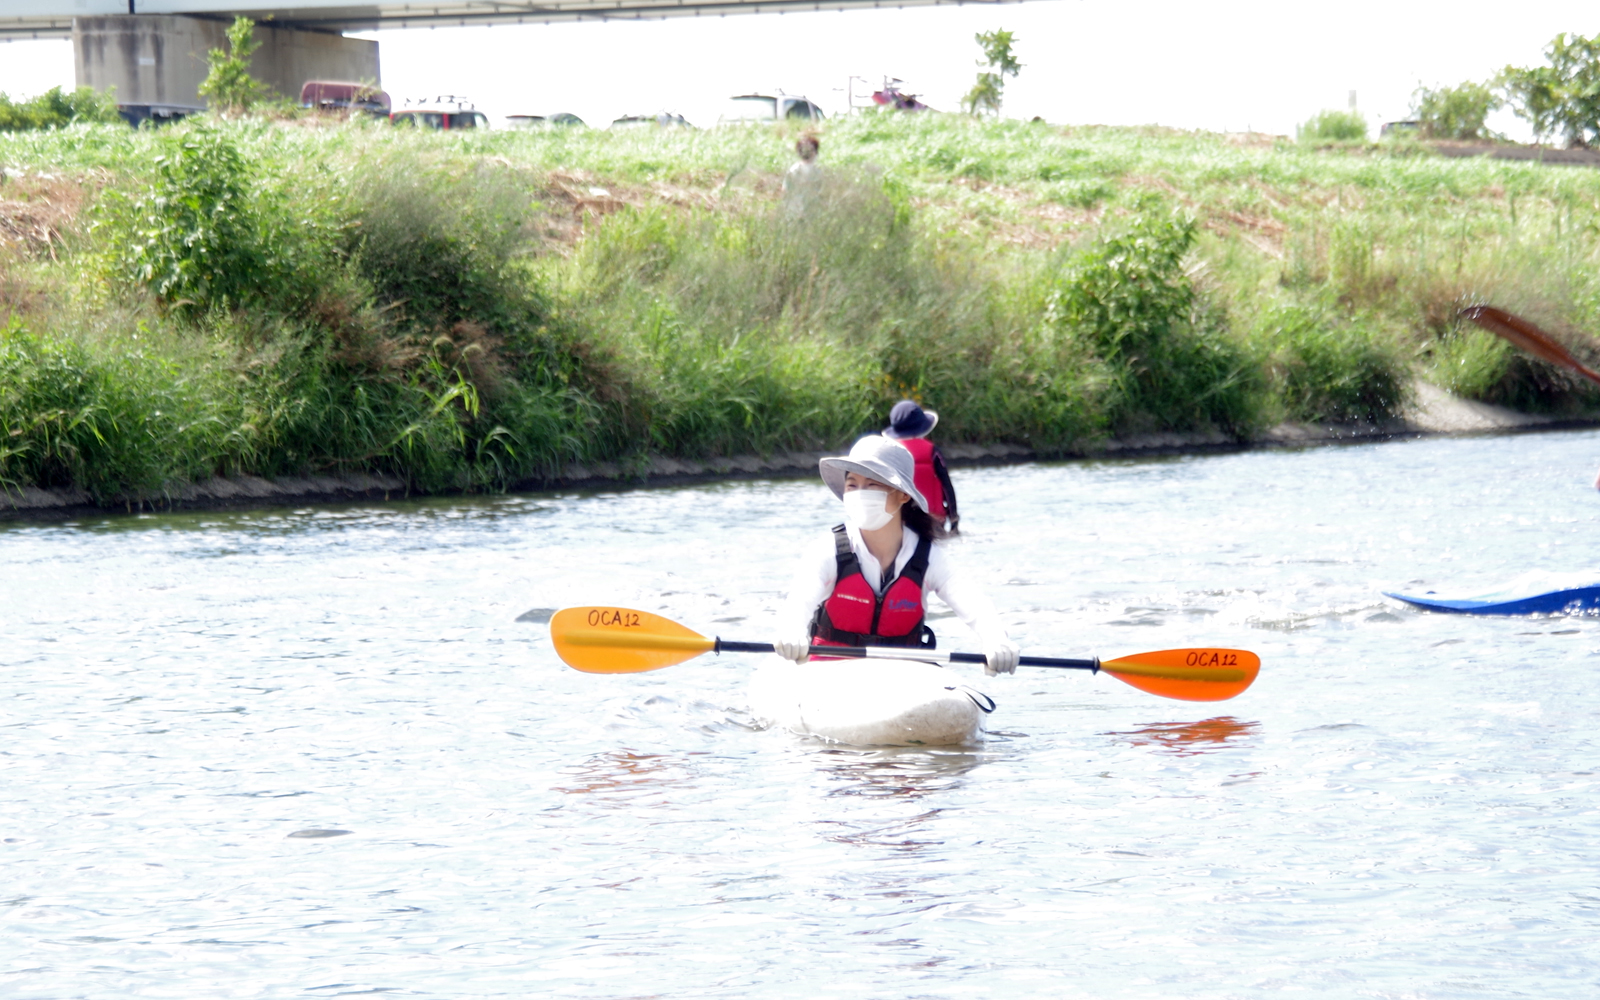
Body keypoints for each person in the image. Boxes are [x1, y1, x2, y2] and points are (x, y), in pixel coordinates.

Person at [773, 435, 1019, 675]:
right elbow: (800, 600)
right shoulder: (827, 549)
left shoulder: (928, 556)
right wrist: (791, 630)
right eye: (852, 485)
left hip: (902, 674)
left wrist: (996, 639)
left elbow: (972, 602)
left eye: (873, 485)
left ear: (903, 495)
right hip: (829, 670)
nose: (860, 493)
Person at [883, 400, 959, 534]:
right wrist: (954, 519)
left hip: (903, 521)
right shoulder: (932, 450)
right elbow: (946, 485)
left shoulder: (890, 452)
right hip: (934, 521)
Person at [782, 134, 822, 213]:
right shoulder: (817, 172)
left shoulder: (793, 169)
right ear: (815, 152)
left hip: (793, 209)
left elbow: (785, 190)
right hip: (811, 210)